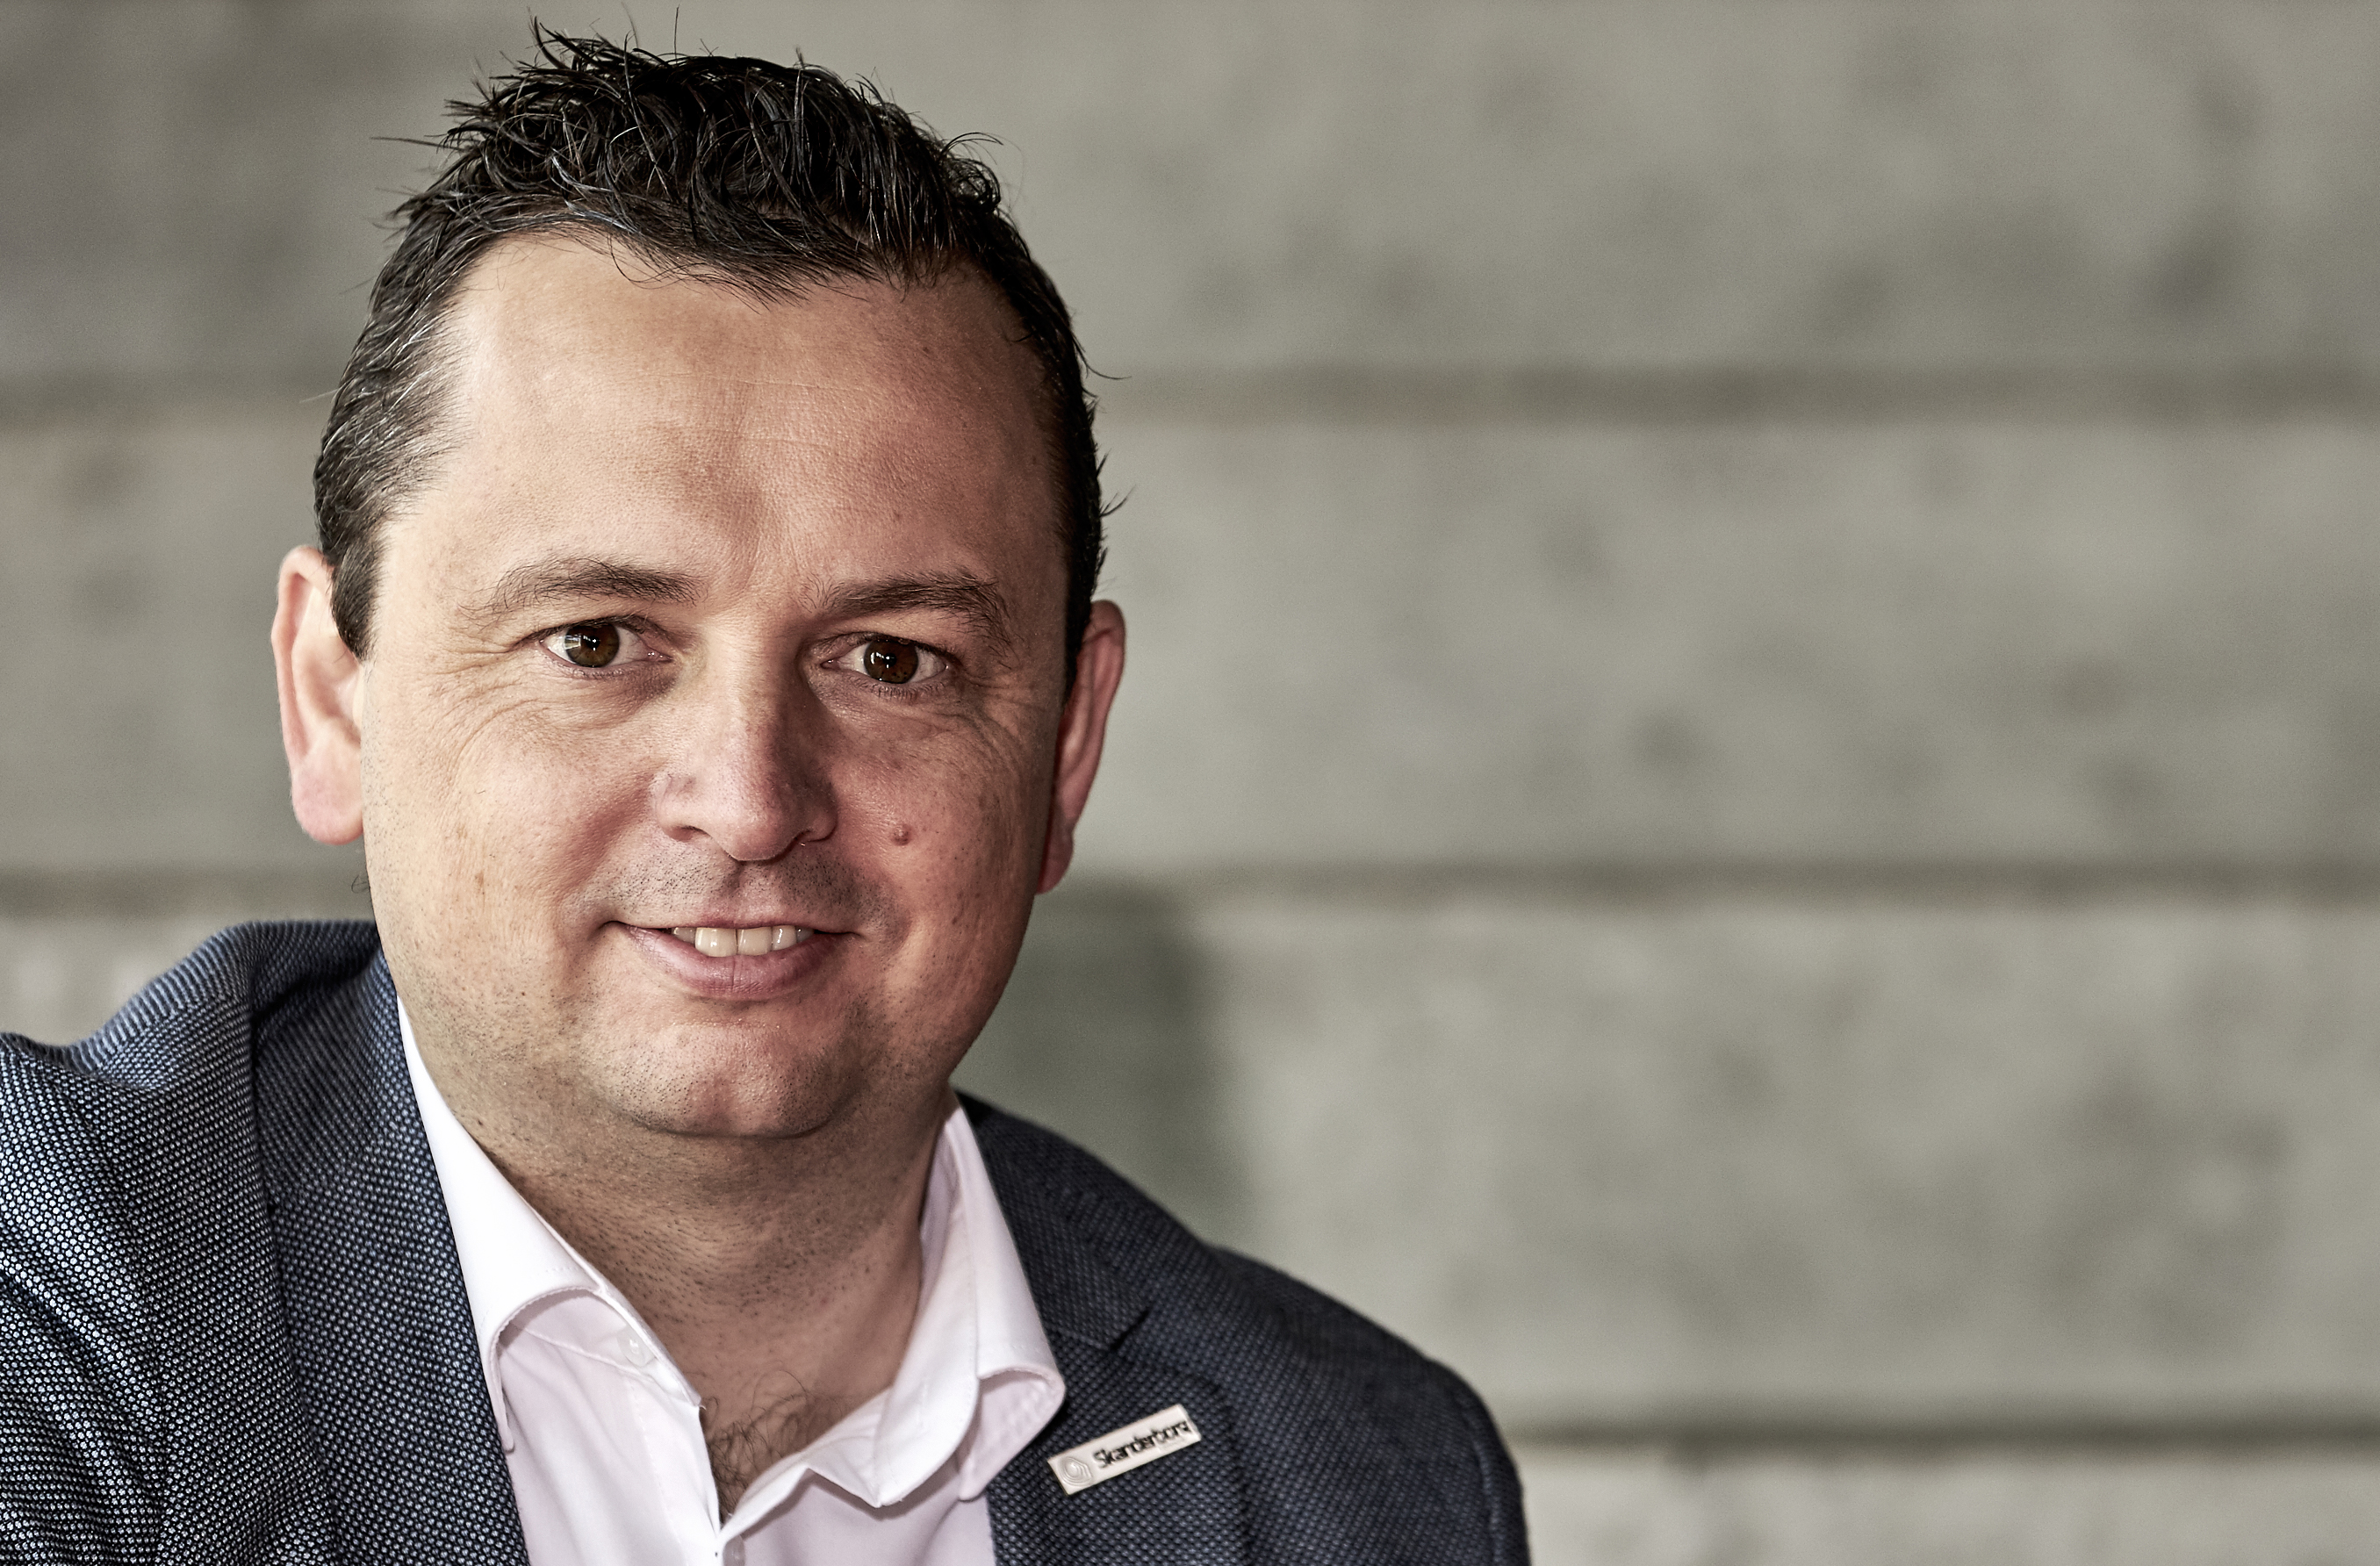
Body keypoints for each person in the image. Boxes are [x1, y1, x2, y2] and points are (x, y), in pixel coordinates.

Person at [0, 30, 1525, 1565]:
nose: (747, 802)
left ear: (1068, 744)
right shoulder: (48, 1306)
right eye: (597, 642)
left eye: (891, 660)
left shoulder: (1369, 1485)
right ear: (334, 699)